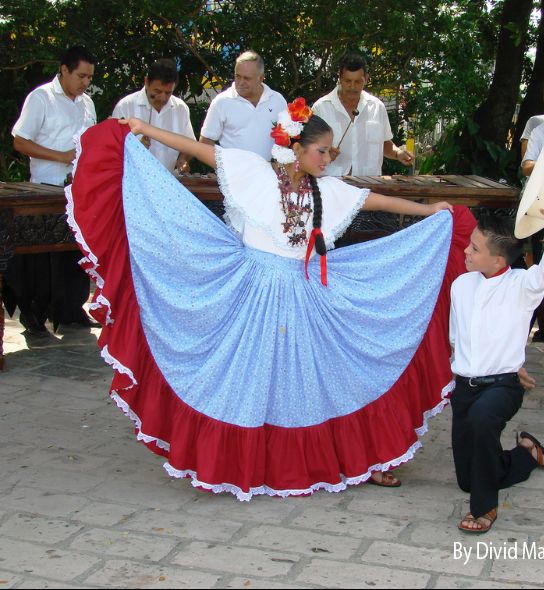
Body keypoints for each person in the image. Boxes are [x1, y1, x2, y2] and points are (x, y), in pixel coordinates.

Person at [66, 97, 477, 498]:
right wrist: (143, 128)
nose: (329, 156)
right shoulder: (254, 173)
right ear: (296, 148)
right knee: (248, 381)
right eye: (321, 150)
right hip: (252, 294)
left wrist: (430, 211)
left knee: (317, 382)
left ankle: (355, 459)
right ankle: (234, 462)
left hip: (303, 297)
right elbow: (202, 150)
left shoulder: (328, 191)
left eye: (331, 150)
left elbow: (376, 199)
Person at [449, 194, 544, 534]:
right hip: (465, 387)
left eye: (475, 249)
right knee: (467, 479)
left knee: (484, 419)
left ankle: (485, 509)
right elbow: (459, 340)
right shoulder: (461, 285)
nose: (466, 252)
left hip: (503, 386)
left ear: (499, 260)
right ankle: (527, 455)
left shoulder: (521, 285)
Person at [4, 46, 98, 333]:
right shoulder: (41, 98)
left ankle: (70, 309)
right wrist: (60, 156)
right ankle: (34, 312)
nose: (85, 83)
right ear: (64, 70)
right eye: (81, 76)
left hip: (79, 189)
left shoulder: (87, 103)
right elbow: (20, 141)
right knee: (40, 257)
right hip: (45, 188)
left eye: (89, 78)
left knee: (74, 252)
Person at [312, 53, 413, 176]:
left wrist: (398, 153)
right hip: (332, 185)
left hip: (369, 186)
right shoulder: (321, 108)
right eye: (348, 81)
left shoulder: (377, 107)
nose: (352, 87)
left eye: (358, 81)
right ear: (339, 78)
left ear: (366, 78)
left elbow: (384, 142)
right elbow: (308, 151)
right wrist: (324, 154)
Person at [199, 51, 287, 160]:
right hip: (234, 175)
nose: (240, 82)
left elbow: (288, 138)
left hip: (271, 174)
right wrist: (223, 167)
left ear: (261, 78)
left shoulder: (277, 100)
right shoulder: (222, 102)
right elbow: (205, 141)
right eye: (237, 76)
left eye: (247, 78)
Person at [112, 58, 195, 173]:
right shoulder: (125, 106)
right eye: (157, 91)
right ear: (146, 82)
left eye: (168, 93)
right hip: (133, 183)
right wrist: (134, 149)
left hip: (167, 183)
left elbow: (190, 145)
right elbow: (111, 150)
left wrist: (182, 159)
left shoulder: (181, 108)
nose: (163, 98)